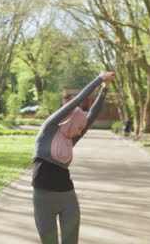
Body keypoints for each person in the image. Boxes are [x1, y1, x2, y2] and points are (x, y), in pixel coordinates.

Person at [31, 71, 115, 244]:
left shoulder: (71, 138)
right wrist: (99, 79)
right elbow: (77, 101)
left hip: (67, 197)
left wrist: (105, 88)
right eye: (78, 127)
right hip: (43, 198)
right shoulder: (49, 130)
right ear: (71, 122)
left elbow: (91, 116)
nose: (80, 132)